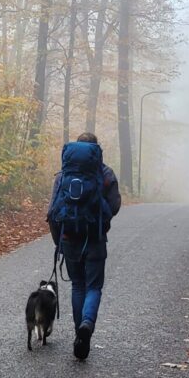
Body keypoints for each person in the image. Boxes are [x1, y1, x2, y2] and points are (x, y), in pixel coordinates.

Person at [47, 132, 121, 360]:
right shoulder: (105, 174)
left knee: (77, 285)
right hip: (96, 239)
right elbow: (115, 205)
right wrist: (101, 220)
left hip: (69, 239)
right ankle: (87, 325)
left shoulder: (63, 177)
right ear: (96, 151)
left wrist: (58, 241)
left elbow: (52, 213)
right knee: (93, 287)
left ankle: (79, 330)